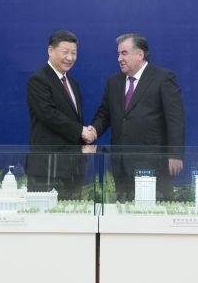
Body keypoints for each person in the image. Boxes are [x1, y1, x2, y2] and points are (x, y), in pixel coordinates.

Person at [88, 33, 185, 201]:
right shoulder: (114, 82)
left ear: (140, 54)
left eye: (124, 53)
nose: (119, 58)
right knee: (123, 211)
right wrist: (93, 130)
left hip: (153, 163)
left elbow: (175, 118)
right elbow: (105, 114)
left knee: (153, 211)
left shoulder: (163, 78)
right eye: (118, 54)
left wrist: (175, 154)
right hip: (121, 164)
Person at [25, 30, 96, 200]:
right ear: (50, 50)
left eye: (74, 53)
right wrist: (81, 131)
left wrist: (85, 139)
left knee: (72, 213)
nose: (70, 58)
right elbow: (48, 115)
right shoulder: (39, 80)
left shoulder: (73, 83)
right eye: (65, 52)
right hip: (48, 168)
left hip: (72, 168)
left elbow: (73, 119)